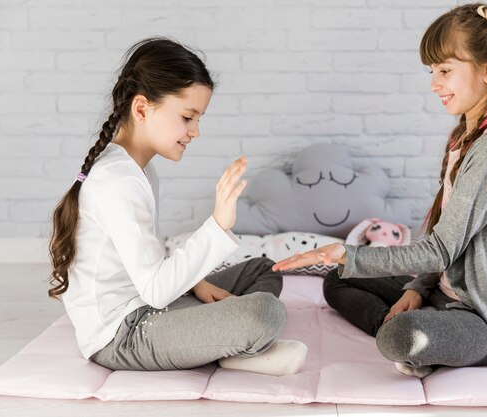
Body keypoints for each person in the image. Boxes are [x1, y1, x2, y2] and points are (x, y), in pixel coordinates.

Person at [273, 3, 487, 378]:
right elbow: (442, 232)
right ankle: (417, 327)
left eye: (445, 71)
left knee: (401, 337)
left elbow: (439, 250)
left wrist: (345, 251)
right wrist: (417, 289)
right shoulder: (465, 136)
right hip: (447, 288)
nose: (434, 84)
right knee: (338, 279)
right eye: (433, 71)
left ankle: (412, 335)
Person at [48, 38, 307, 375]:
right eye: (188, 117)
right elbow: (156, 290)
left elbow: (147, 266)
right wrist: (218, 224)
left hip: (147, 303)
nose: (195, 131)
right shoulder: (119, 181)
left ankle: (228, 342)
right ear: (142, 109)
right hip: (123, 335)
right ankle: (238, 345)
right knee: (265, 313)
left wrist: (194, 285)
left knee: (263, 268)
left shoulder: (138, 169)